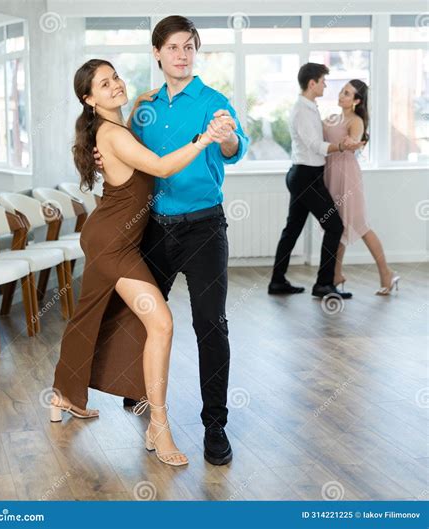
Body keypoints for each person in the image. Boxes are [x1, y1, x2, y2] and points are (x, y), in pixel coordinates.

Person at [51, 58, 236, 468]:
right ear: (89, 98)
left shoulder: (118, 127)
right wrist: (205, 137)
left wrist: (137, 100)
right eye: (104, 83)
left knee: (90, 314)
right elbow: (161, 166)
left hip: (112, 237)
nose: (115, 84)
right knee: (162, 322)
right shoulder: (112, 135)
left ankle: (63, 394)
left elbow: (131, 127)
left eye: (115, 76)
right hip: (114, 243)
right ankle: (159, 425)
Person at [94, 15, 249, 465]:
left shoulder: (213, 102)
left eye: (189, 47)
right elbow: (129, 156)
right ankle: (140, 392)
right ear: (157, 53)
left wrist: (224, 137)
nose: (182, 55)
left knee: (210, 325)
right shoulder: (145, 107)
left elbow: (234, 146)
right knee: (144, 317)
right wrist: (106, 153)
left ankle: (214, 425)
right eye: (174, 47)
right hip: (155, 228)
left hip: (204, 229)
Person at [268, 63, 363, 299]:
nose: (325, 85)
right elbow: (314, 145)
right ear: (312, 83)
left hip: (307, 175)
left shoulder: (310, 107)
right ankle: (323, 284)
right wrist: (342, 146)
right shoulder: (302, 110)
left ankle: (277, 281)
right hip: (306, 177)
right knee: (335, 226)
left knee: (292, 229)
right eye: (323, 81)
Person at [323, 80, 400, 295]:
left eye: (347, 93)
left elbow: (354, 139)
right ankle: (336, 275)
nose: (341, 95)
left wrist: (353, 142)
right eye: (341, 91)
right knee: (337, 227)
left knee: (361, 225)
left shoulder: (356, 121)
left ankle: (386, 273)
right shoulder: (331, 118)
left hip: (348, 177)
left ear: (357, 101)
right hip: (331, 175)